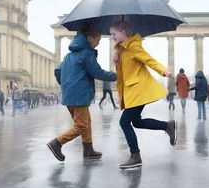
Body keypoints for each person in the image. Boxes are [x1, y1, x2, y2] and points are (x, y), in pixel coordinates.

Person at [110, 21, 177, 169]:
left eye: (114, 34)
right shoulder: (122, 50)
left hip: (138, 90)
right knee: (136, 122)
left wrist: (164, 71)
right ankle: (167, 126)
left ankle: (135, 156)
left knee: (124, 122)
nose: (112, 37)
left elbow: (149, 60)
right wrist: (117, 63)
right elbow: (124, 74)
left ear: (123, 31)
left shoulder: (133, 46)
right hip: (132, 91)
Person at [47, 22, 117, 162]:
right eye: (97, 40)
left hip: (70, 95)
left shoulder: (69, 55)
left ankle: (88, 149)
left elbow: (58, 71)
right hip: (79, 95)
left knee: (86, 122)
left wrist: (66, 85)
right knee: (81, 125)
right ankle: (57, 143)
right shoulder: (87, 53)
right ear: (89, 38)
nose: (98, 43)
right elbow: (96, 72)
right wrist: (117, 76)